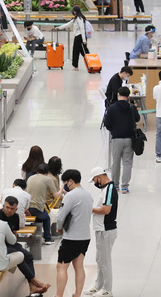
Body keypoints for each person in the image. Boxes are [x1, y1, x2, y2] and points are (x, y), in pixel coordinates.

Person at [0, 197, 51, 294]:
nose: (9, 210)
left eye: (12, 209)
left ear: (16, 209)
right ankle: (35, 281)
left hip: (11, 243)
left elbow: (15, 233)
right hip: (0, 245)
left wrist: (14, 240)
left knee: (29, 256)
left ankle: (32, 286)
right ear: (3, 206)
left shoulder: (16, 217)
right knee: (20, 256)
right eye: (7, 207)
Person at [55, 169, 93, 297]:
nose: (66, 185)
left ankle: (59, 295)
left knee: (61, 267)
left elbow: (61, 216)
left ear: (70, 181)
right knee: (79, 266)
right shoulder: (88, 195)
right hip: (85, 237)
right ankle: (77, 294)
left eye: (66, 182)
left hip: (72, 237)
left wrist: (59, 228)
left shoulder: (70, 196)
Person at [85, 167, 119, 297]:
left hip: (106, 230)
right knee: (100, 259)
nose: (95, 183)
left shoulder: (110, 189)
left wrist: (91, 208)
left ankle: (107, 289)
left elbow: (106, 210)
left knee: (105, 261)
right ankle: (97, 286)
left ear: (99, 177)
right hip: (101, 229)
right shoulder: (106, 189)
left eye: (95, 180)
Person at [103, 87, 140, 194]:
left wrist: (113, 129)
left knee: (116, 162)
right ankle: (125, 186)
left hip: (116, 139)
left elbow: (107, 123)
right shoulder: (131, 107)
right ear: (128, 96)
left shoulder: (112, 108)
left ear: (118, 94)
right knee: (128, 163)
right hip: (129, 139)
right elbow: (137, 119)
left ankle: (115, 185)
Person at [26, 163, 60, 245]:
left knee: (40, 217)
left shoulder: (30, 178)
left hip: (27, 207)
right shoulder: (47, 179)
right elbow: (56, 196)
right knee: (46, 218)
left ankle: (32, 235)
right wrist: (62, 189)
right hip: (37, 208)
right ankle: (47, 238)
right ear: (47, 172)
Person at [55, 5, 89, 71]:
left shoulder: (79, 18)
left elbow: (82, 29)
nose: (73, 12)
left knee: (78, 51)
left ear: (75, 11)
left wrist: (84, 39)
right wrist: (59, 27)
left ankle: (79, 66)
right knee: (82, 51)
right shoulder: (76, 19)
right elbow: (68, 24)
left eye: (73, 11)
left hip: (80, 37)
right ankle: (87, 64)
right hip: (79, 37)